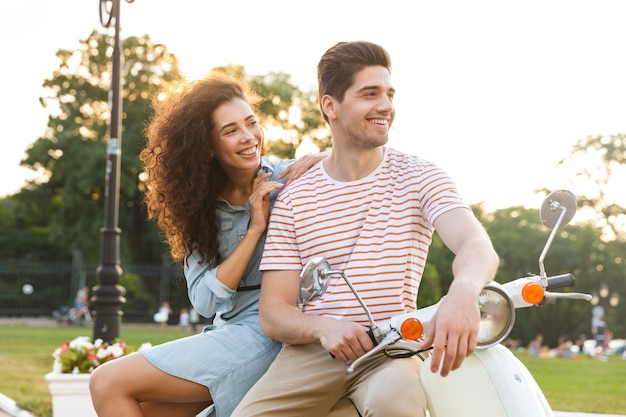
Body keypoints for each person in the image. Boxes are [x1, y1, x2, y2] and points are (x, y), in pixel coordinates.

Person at [232, 40, 499, 417]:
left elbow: (474, 243)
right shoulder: (295, 197)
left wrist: (464, 292)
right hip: (313, 356)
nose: (386, 106)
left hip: (392, 349)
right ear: (331, 106)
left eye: (389, 94)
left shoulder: (421, 176)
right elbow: (273, 312)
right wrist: (323, 327)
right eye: (370, 94)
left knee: (396, 402)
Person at [89, 72, 326, 417]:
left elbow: (357, 164)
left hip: (269, 330)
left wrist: (325, 156)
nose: (249, 138)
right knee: (141, 408)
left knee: (106, 382)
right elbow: (204, 300)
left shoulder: (289, 179)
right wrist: (254, 230)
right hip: (228, 330)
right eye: (231, 131)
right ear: (207, 147)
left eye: (251, 123)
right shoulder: (199, 207)